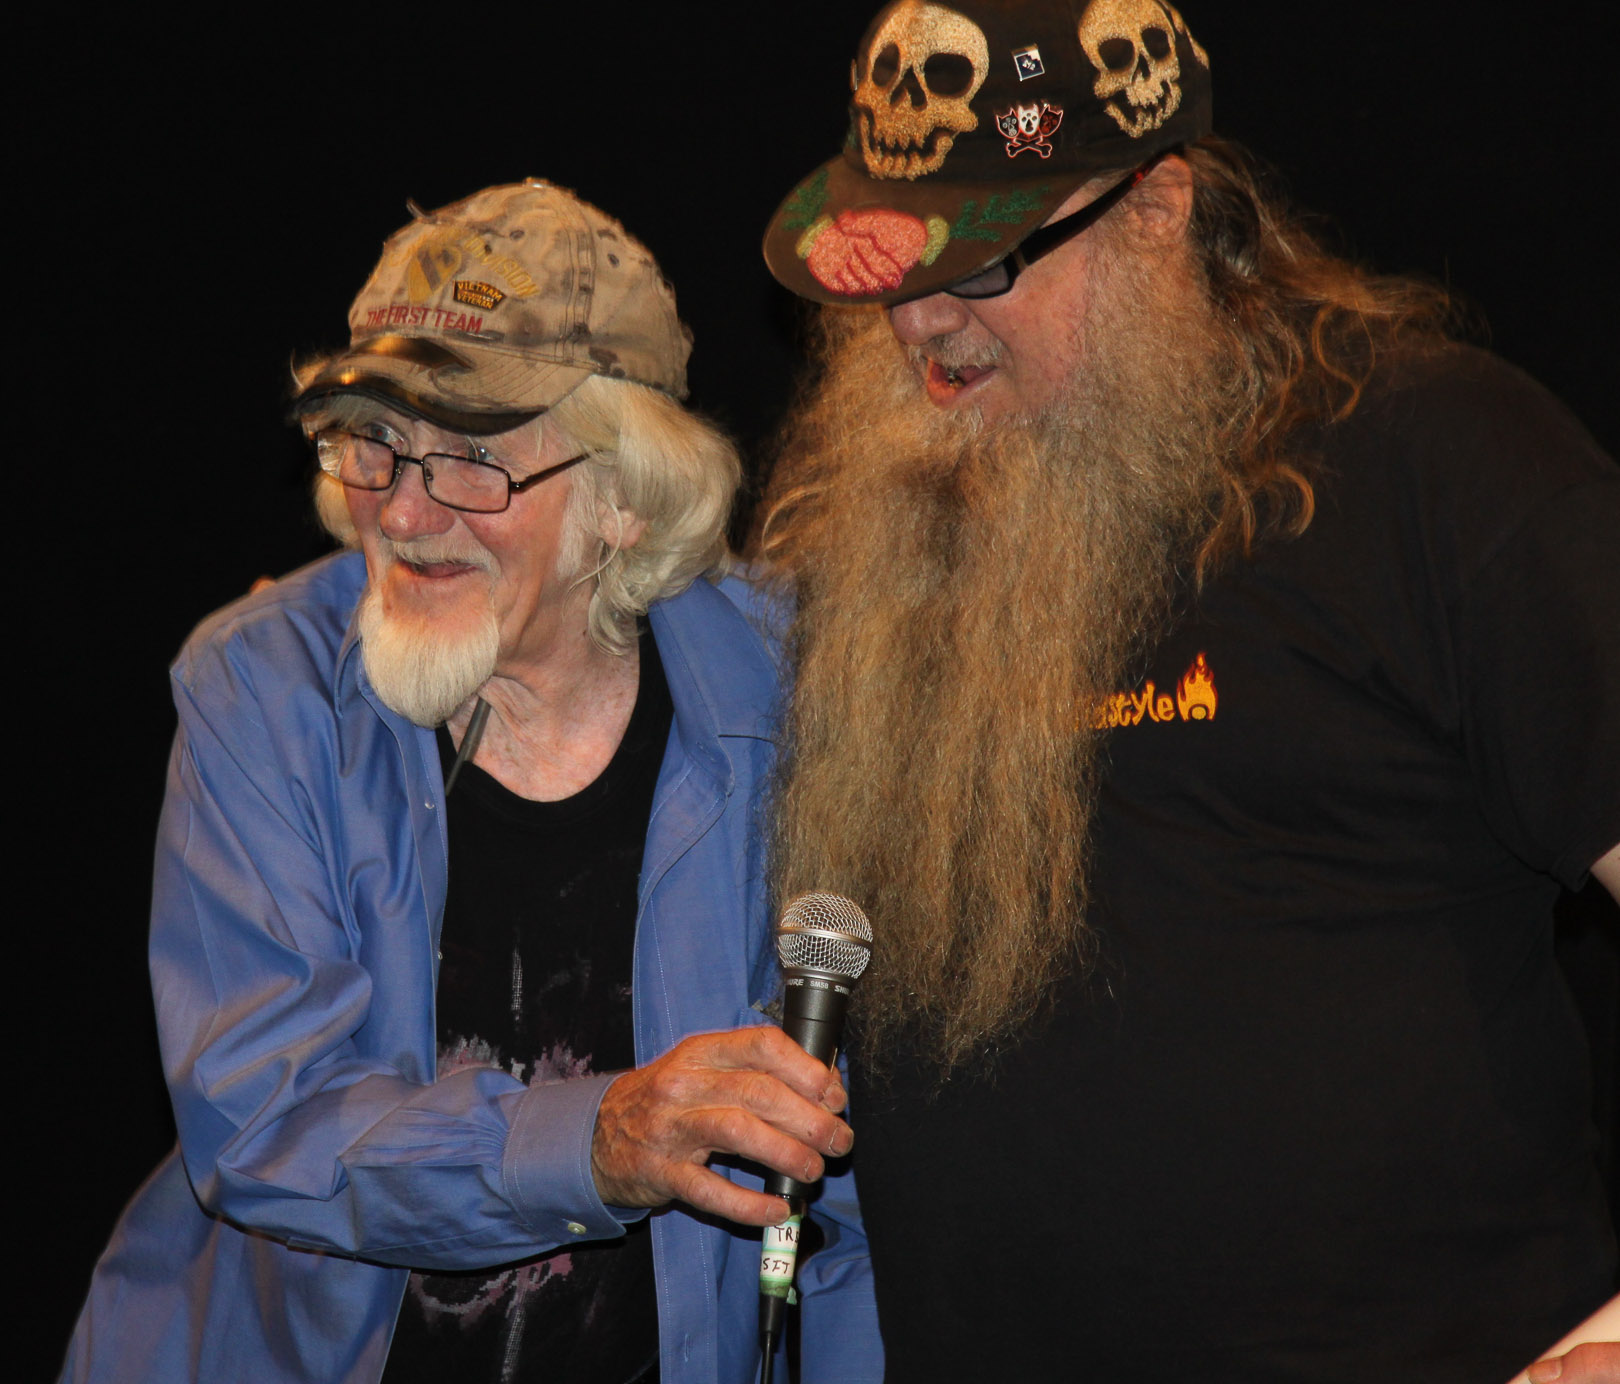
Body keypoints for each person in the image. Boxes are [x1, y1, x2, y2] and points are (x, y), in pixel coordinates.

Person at [757, 2, 1620, 1380]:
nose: (920, 322)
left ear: (1158, 204)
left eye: (978, 264)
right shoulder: (883, 525)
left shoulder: (1438, 460)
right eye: (889, 265)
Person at [62, 180, 880, 1384]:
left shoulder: (795, 696)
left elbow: (858, 1190)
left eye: (472, 460)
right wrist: (594, 1144)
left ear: (620, 497)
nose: (401, 508)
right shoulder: (265, 692)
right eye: (377, 442)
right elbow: (267, 1120)